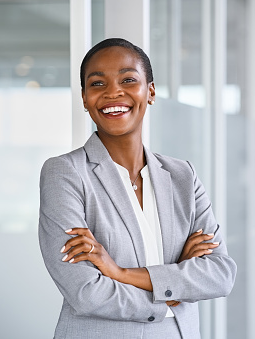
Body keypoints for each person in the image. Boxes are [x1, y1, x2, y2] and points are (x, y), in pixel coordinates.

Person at [38, 38, 237, 339]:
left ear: (151, 92)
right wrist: (172, 290)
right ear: (83, 98)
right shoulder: (65, 173)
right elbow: (86, 291)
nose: (113, 92)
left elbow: (220, 274)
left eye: (128, 79)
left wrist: (120, 274)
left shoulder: (182, 176)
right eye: (97, 84)